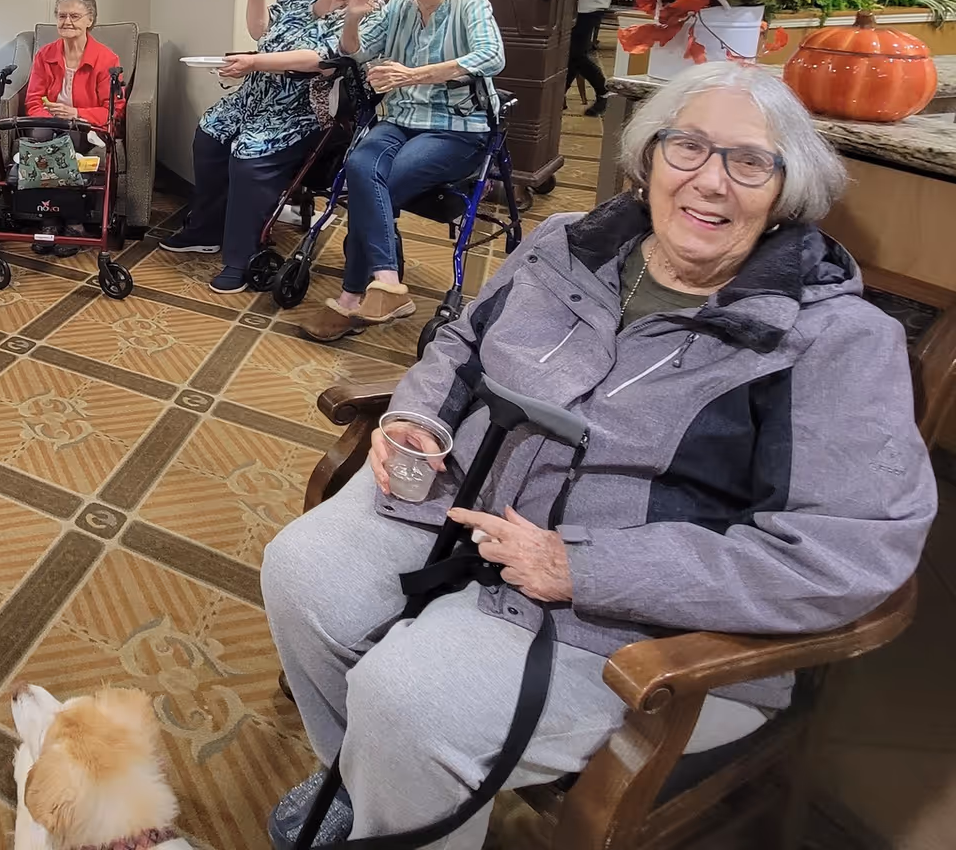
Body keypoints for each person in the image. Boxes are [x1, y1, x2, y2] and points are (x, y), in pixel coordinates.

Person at [261, 62, 934, 850]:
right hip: (468, 501)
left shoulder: (834, 341)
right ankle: (366, 775)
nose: (710, 182)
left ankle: (395, 784)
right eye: (686, 148)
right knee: (304, 571)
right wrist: (419, 418)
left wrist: (587, 569)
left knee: (411, 695)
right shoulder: (563, 245)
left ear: (787, 191)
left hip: (626, 610)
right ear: (648, 160)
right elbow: (462, 342)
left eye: (750, 161)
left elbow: (848, 552)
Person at [302, 0, 505, 343]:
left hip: (457, 128)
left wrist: (414, 75)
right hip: (399, 119)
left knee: (379, 185)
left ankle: (350, 297)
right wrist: (354, 17)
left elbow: (492, 56)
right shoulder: (399, 6)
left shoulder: (468, 1)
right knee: (359, 164)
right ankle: (389, 284)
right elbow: (355, 51)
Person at [162, 0, 390, 294]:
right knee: (210, 132)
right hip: (258, 94)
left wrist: (253, 63)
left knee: (249, 152)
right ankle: (206, 228)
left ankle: (241, 257)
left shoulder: (373, 13)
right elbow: (261, 31)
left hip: (307, 108)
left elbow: (321, 60)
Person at [22, 0, 121, 256]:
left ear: (90, 19)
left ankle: (71, 223)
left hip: (85, 125)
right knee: (42, 137)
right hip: (50, 124)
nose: (67, 22)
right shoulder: (45, 54)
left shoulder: (106, 59)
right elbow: (33, 101)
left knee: (64, 139)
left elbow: (113, 109)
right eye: (62, 15)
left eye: (75, 16)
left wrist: (76, 113)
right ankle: (53, 220)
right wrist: (53, 117)